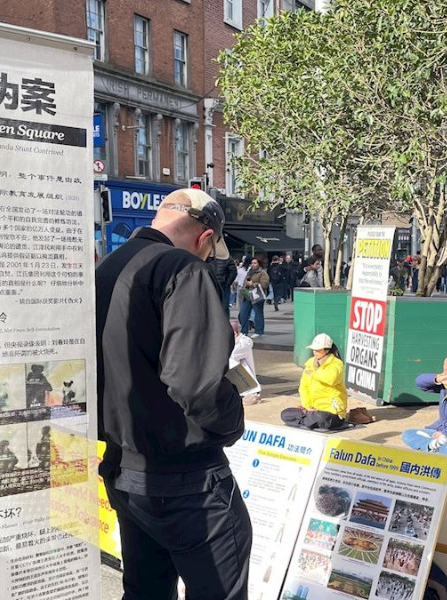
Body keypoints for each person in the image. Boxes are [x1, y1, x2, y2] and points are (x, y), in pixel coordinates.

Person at [94, 188, 251, 599]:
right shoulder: (180, 268)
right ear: (205, 239)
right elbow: (195, 385)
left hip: (125, 470)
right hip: (187, 480)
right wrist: (233, 417)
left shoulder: (108, 267)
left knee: (145, 591)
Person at [281, 334, 347, 429]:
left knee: (321, 417)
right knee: (285, 414)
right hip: (312, 409)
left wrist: (313, 373)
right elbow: (303, 388)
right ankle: (309, 419)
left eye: (318, 350)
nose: (315, 352)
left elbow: (330, 379)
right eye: (314, 350)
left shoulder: (337, 364)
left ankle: (307, 420)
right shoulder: (310, 364)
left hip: (331, 411)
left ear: (327, 350)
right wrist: (307, 406)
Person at [208, 254, 237, 319]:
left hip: (220, 286)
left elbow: (233, 272)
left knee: (222, 308)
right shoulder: (226, 257)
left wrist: (227, 283)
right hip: (217, 285)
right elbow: (233, 271)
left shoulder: (226, 258)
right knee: (220, 308)